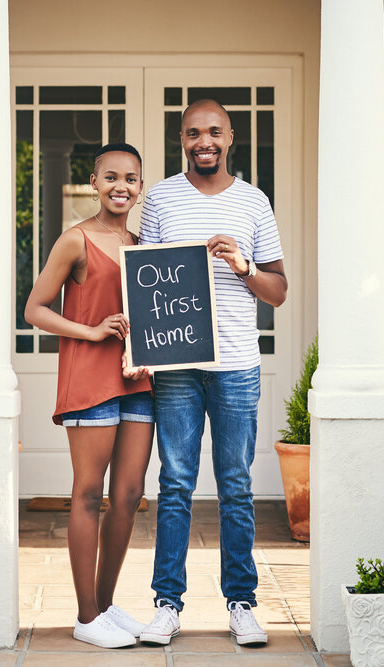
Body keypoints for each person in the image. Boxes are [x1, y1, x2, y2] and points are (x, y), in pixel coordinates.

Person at [137, 99, 288, 646]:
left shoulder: (253, 202)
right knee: (175, 483)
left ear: (231, 137)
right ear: (182, 138)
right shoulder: (161, 199)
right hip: (178, 365)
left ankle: (241, 603)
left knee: (236, 485)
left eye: (214, 132)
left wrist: (242, 265)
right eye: (194, 133)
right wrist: (145, 344)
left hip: (237, 367)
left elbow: (279, 289)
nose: (205, 141)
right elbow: (144, 281)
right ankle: (166, 604)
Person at [24, 143, 154, 649]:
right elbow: (35, 309)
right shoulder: (74, 240)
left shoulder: (145, 248)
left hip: (137, 380)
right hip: (90, 383)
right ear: (95, 182)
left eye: (133, 178)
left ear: (141, 187)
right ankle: (84, 615)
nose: (123, 186)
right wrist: (93, 331)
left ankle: (103, 606)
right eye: (113, 176)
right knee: (87, 493)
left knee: (127, 496)